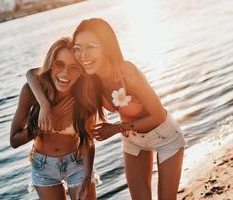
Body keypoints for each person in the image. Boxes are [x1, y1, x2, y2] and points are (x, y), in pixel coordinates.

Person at [26, 18, 186, 200]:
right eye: (78, 48)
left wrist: (116, 128)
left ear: (106, 46)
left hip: (165, 137)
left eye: (91, 46)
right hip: (134, 141)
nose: (83, 55)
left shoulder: (127, 72)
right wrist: (45, 105)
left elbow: (158, 116)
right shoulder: (88, 78)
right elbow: (33, 74)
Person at [10, 37, 104, 200]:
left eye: (74, 67)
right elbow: (14, 141)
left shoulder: (84, 95)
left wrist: (88, 176)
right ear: (50, 64)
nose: (65, 73)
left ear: (81, 70)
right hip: (43, 167)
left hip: (78, 163)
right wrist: (49, 112)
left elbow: (87, 140)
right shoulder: (32, 91)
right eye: (59, 64)